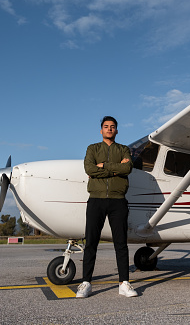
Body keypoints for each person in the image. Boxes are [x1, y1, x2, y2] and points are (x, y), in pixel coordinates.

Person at [76, 116, 138, 298]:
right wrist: (116, 167)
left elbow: (128, 169)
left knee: (121, 243)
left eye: (112, 127)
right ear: (101, 130)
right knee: (91, 242)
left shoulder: (123, 149)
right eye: (106, 127)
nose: (109, 129)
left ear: (117, 131)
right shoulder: (92, 148)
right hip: (96, 200)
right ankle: (86, 282)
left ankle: (124, 283)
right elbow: (89, 169)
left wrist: (104, 166)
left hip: (118, 201)